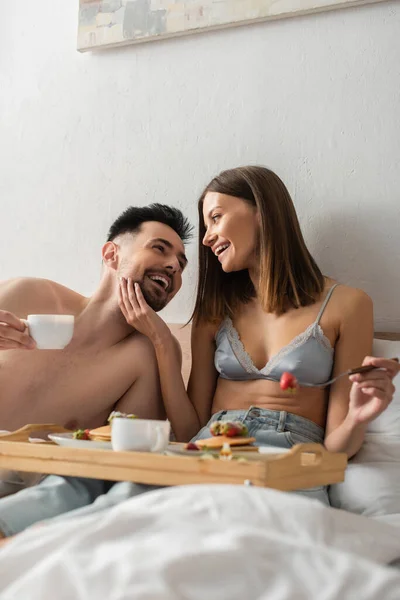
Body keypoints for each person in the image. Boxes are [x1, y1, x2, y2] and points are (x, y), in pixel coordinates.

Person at [0, 167, 398, 542]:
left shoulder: (348, 305)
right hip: (207, 445)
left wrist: (360, 416)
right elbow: (189, 430)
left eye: (216, 218)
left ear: (262, 212)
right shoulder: (214, 311)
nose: (206, 238)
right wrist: (164, 346)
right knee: (113, 491)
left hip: (289, 452)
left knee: (249, 528)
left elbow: (335, 450)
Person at [0, 203, 192, 506]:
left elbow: (134, 467)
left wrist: (163, 341)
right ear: (111, 254)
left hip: (38, 492)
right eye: (160, 249)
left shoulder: (145, 356)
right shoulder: (28, 295)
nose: (173, 267)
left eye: (181, 265)